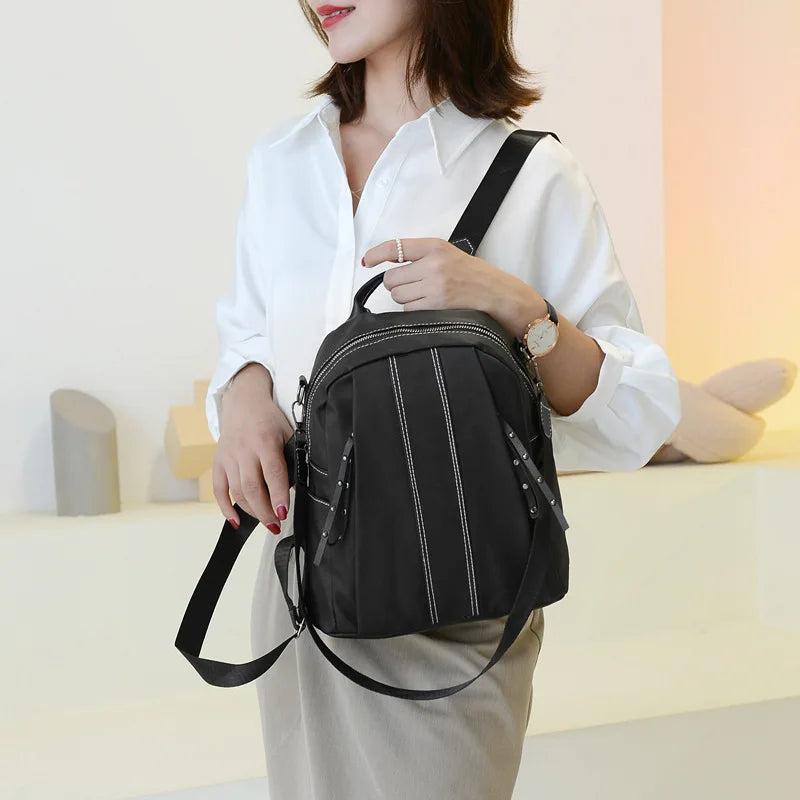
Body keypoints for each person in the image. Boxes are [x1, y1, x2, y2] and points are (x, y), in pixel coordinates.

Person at [204, 2, 681, 797]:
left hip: (453, 600)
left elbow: (636, 412)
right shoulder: (283, 162)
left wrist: (517, 307)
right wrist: (243, 396)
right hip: (302, 586)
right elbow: (248, 337)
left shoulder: (530, 173)